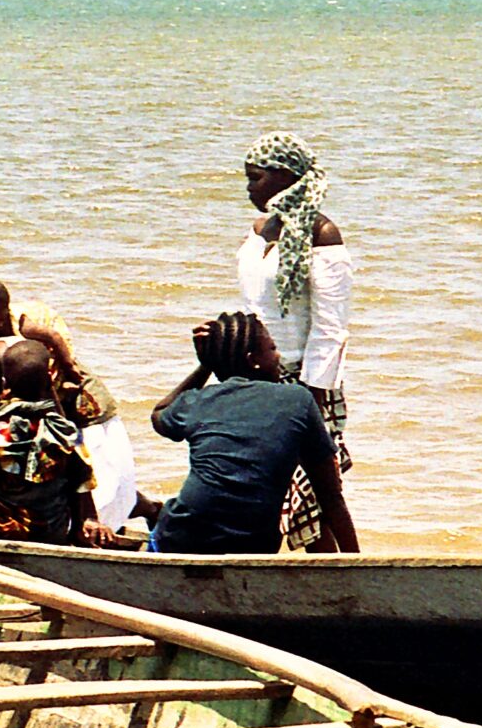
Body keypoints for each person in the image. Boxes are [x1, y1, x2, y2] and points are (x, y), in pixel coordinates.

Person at [147, 312, 359, 555]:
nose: (278, 355)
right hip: (252, 547)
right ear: (253, 360)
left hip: (182, 538)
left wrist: (206, 364)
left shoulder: (198, 400)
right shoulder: (297, 400)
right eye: (272, 347)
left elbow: (159, 414)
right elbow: (331, 498)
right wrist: (356, 566)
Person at [236, 132, 356, 550]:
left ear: (286, 177)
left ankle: (345, 577)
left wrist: (312, 394)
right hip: (258, 377)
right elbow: (254, 307)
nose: (249, 187)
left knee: (315, 494)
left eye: (256, 177)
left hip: (304, 383)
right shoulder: (259, 230)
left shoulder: (322, 234)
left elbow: (330, 327)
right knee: (273, 492)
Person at [0, 277, 143, 528]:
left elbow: (68, 444)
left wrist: (67, 365)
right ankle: (147, 508)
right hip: (59, 414)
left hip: (84, 416)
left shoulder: (27, 339)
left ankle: (140, 512)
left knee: (102, 502)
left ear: (0, 318)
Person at [0, 340, 112, 546]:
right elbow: (80, 480)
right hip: (53, 533)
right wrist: (78, 527)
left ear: (4, 383)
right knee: (70, 475)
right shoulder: (66, 433)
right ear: (49, 381)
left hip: (2, 531)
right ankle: (74, 532)